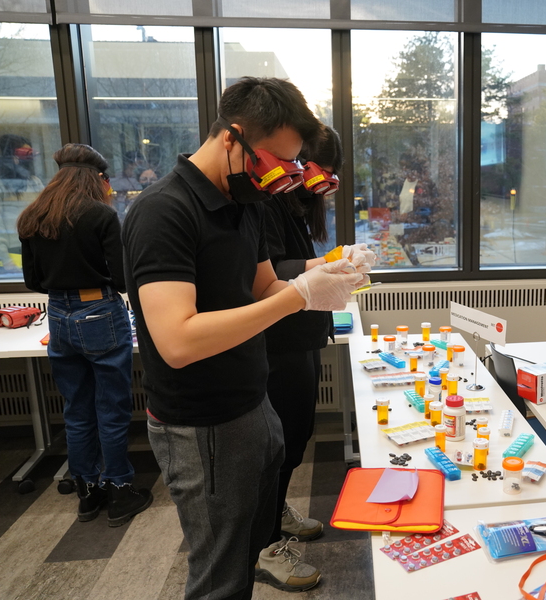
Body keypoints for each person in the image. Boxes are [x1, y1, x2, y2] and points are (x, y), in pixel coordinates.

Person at [122, 76, 372, 600]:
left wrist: (327, 279)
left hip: (253, 401)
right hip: (199, 423)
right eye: (273, 163)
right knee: (220, 575)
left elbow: (264, 286)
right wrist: (299, 295)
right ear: (232, 138)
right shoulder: (163, 210)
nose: (282, 180)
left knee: (250, 541)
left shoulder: (247, 203)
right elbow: (179, 341)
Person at [17, 143, 152, 526]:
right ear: (96, 178)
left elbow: (32, 281)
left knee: (76, 409)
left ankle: (87, 492)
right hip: (100, 313)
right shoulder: (101, 216)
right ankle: (121, 491)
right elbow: (124, 278)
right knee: (110, 407)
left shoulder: (32, 216)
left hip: (57, 314)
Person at [260, 125, 368, 589]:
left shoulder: (293, 204)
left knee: (296, 435)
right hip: (277, 340)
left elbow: (292, 263)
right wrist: (326, 263)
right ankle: (264, 548)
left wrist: (333, 263)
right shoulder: (265, 201)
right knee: (277, 445)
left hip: (301, 335)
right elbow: (267, 273)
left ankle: (275, 511)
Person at [0, 134, 44, 271]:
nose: (25, 161)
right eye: (21, 155)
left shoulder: (34, 182)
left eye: (28, 156)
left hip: (38, 247)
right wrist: (6, 260)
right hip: (13, 252)